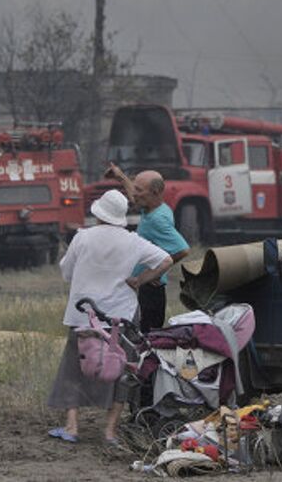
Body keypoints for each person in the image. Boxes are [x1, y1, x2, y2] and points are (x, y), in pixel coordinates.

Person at [47, 189, 172, 444]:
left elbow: (66, 272)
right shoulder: (133, 241)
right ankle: (110, 431)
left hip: (84, 313)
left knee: (74, 369)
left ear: (99, 213)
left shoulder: (82, 238)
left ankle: (72, 427)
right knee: (123, 372)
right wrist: (140, 280)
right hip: (120, 316)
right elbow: (166, 260)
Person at [105, 163, 190, 333]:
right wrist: (121, 176)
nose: (134, 194)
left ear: (155, 193)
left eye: (139, 190)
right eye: (135, 188)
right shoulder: (153, 208)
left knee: (148, 338)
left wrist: (155, 271)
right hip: (144, 287)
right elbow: (134, 197)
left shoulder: (157, 220)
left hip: (151, 290)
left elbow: (183, 249)